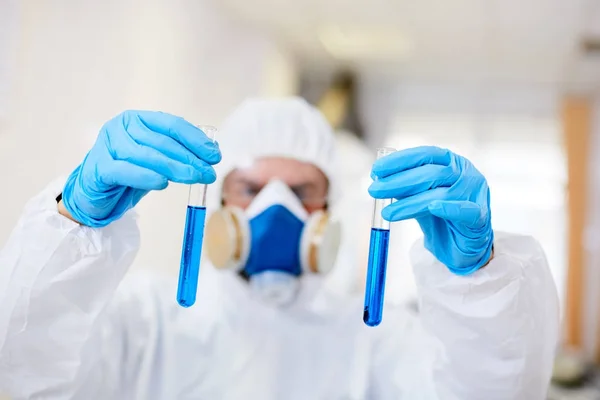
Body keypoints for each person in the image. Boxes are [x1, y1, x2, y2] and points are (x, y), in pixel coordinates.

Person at [0, 97, 559, 399]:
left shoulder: (375, 337)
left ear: (328, 209)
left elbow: (491, 393)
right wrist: (70, 220)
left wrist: (481, 280)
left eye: (299, 192)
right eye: (249, 188)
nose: (274, 208)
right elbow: (24, 371)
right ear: (218, 201)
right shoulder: (147, 321)